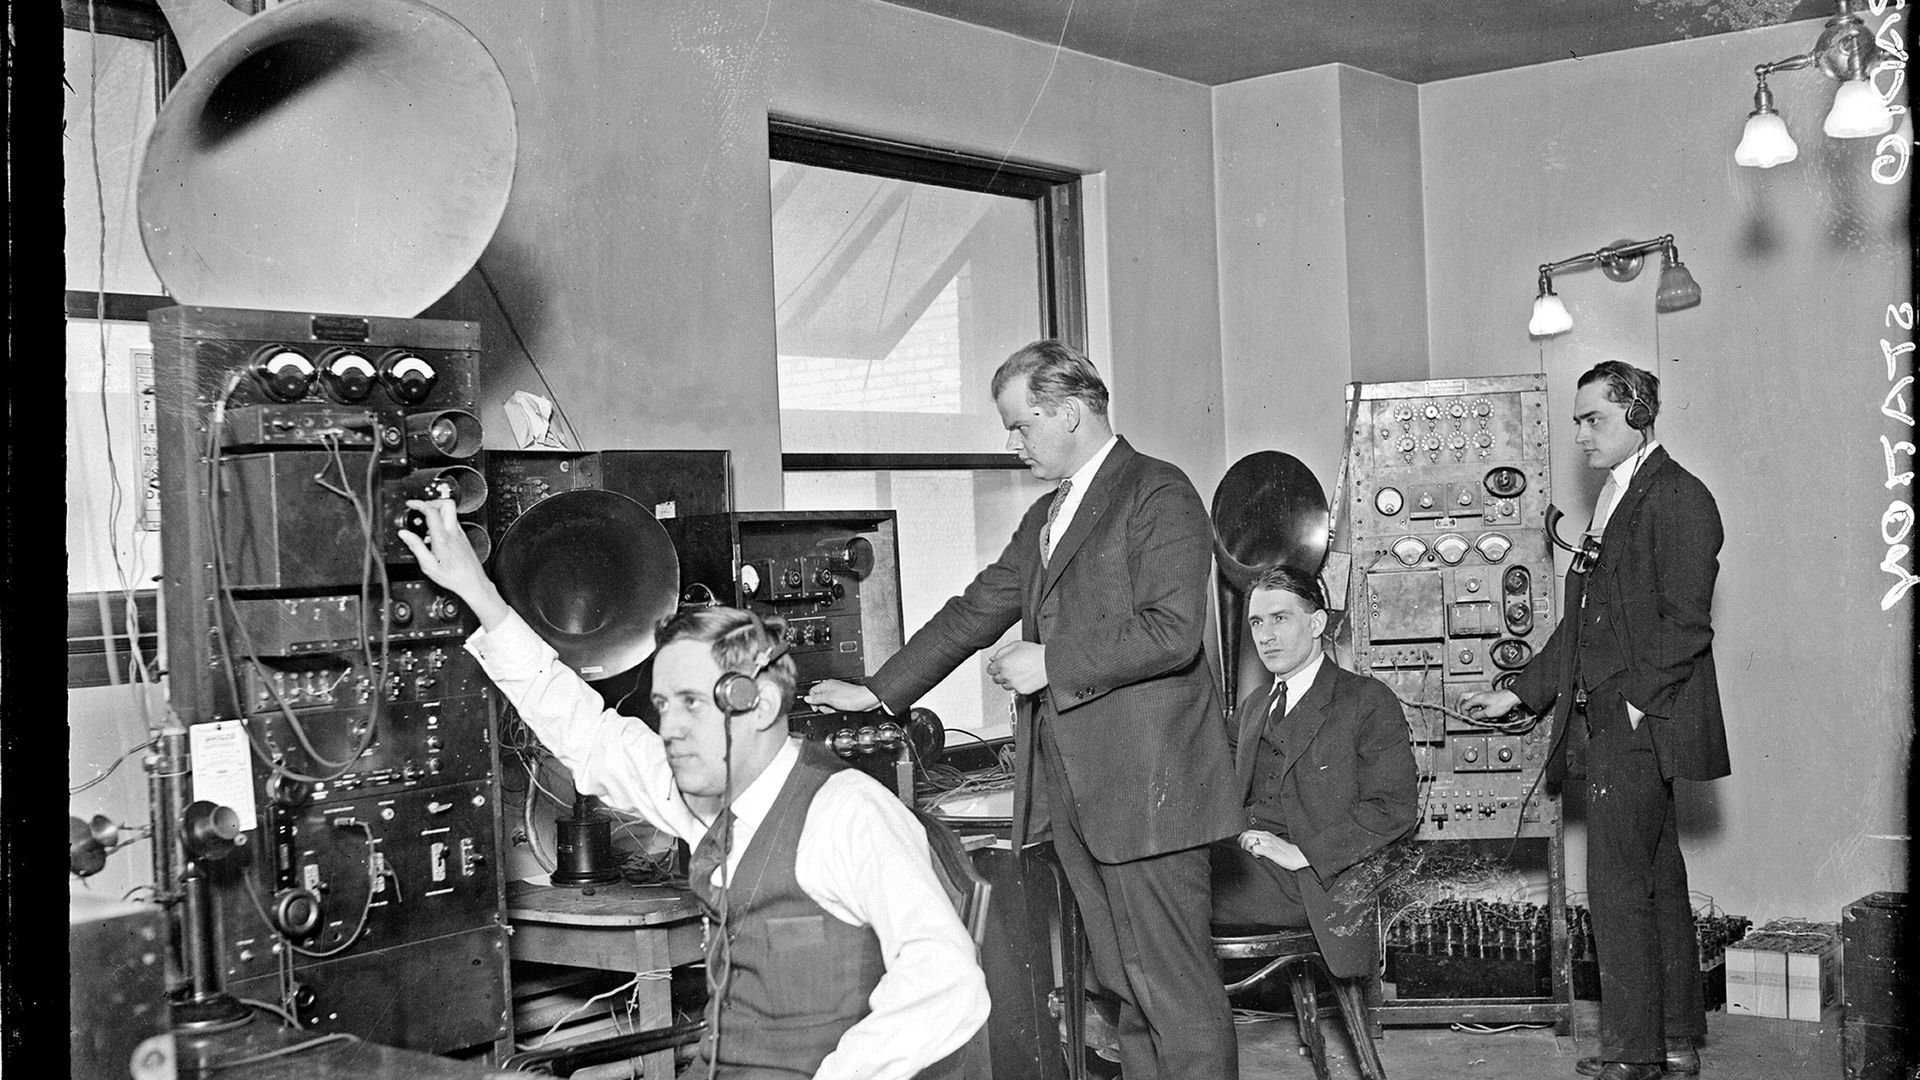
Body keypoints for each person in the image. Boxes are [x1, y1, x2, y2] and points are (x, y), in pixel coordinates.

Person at [397, 498, 989, 1080]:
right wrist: (483, 598)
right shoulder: (706, 800)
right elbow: (589, 735)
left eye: (689, 705)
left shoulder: (847, 811)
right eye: (661, 706)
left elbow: (947, 985)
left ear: (756, 703)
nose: (669, 729)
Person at [806, 339, 1243, 1080]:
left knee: (1176, 996)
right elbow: (978, 607)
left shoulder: (1159, 493)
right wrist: (880, 690)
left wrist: (1052, 660)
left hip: (1150, 795)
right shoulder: (1050, 513)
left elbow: (1172, 631)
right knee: (1128, 993)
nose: (1013, 444)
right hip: (1082, 798)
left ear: (1069, 413)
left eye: (1021, 425)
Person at [1463, 360, 1727, 1080]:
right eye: (1577, 419)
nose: (1578, 433)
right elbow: (1582, 622)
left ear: (1638, 417)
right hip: (1622, 720)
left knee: (1615, 892)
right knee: (1657, 885)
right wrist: (1519, 692)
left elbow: (1687, 626)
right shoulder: (1620, 495)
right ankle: (1672, 1040)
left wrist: (1634, 705)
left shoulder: (1679, 499)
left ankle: (1633, 1055)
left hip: (1638, 725)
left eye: (1593, 419)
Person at [1210, 564, 1418, 983]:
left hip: (1312, 882)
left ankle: (1138, 1021)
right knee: (1147, 877)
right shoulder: (1253, 709)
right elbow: (1216, 790)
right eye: (1256, 622)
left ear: (1317, 622)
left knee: (1160, 890)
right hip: (1250, 864)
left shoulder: (1365, 700)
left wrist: (1302, 853)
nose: (1265, 636)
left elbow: (1394, 809)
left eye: (1280, 618)